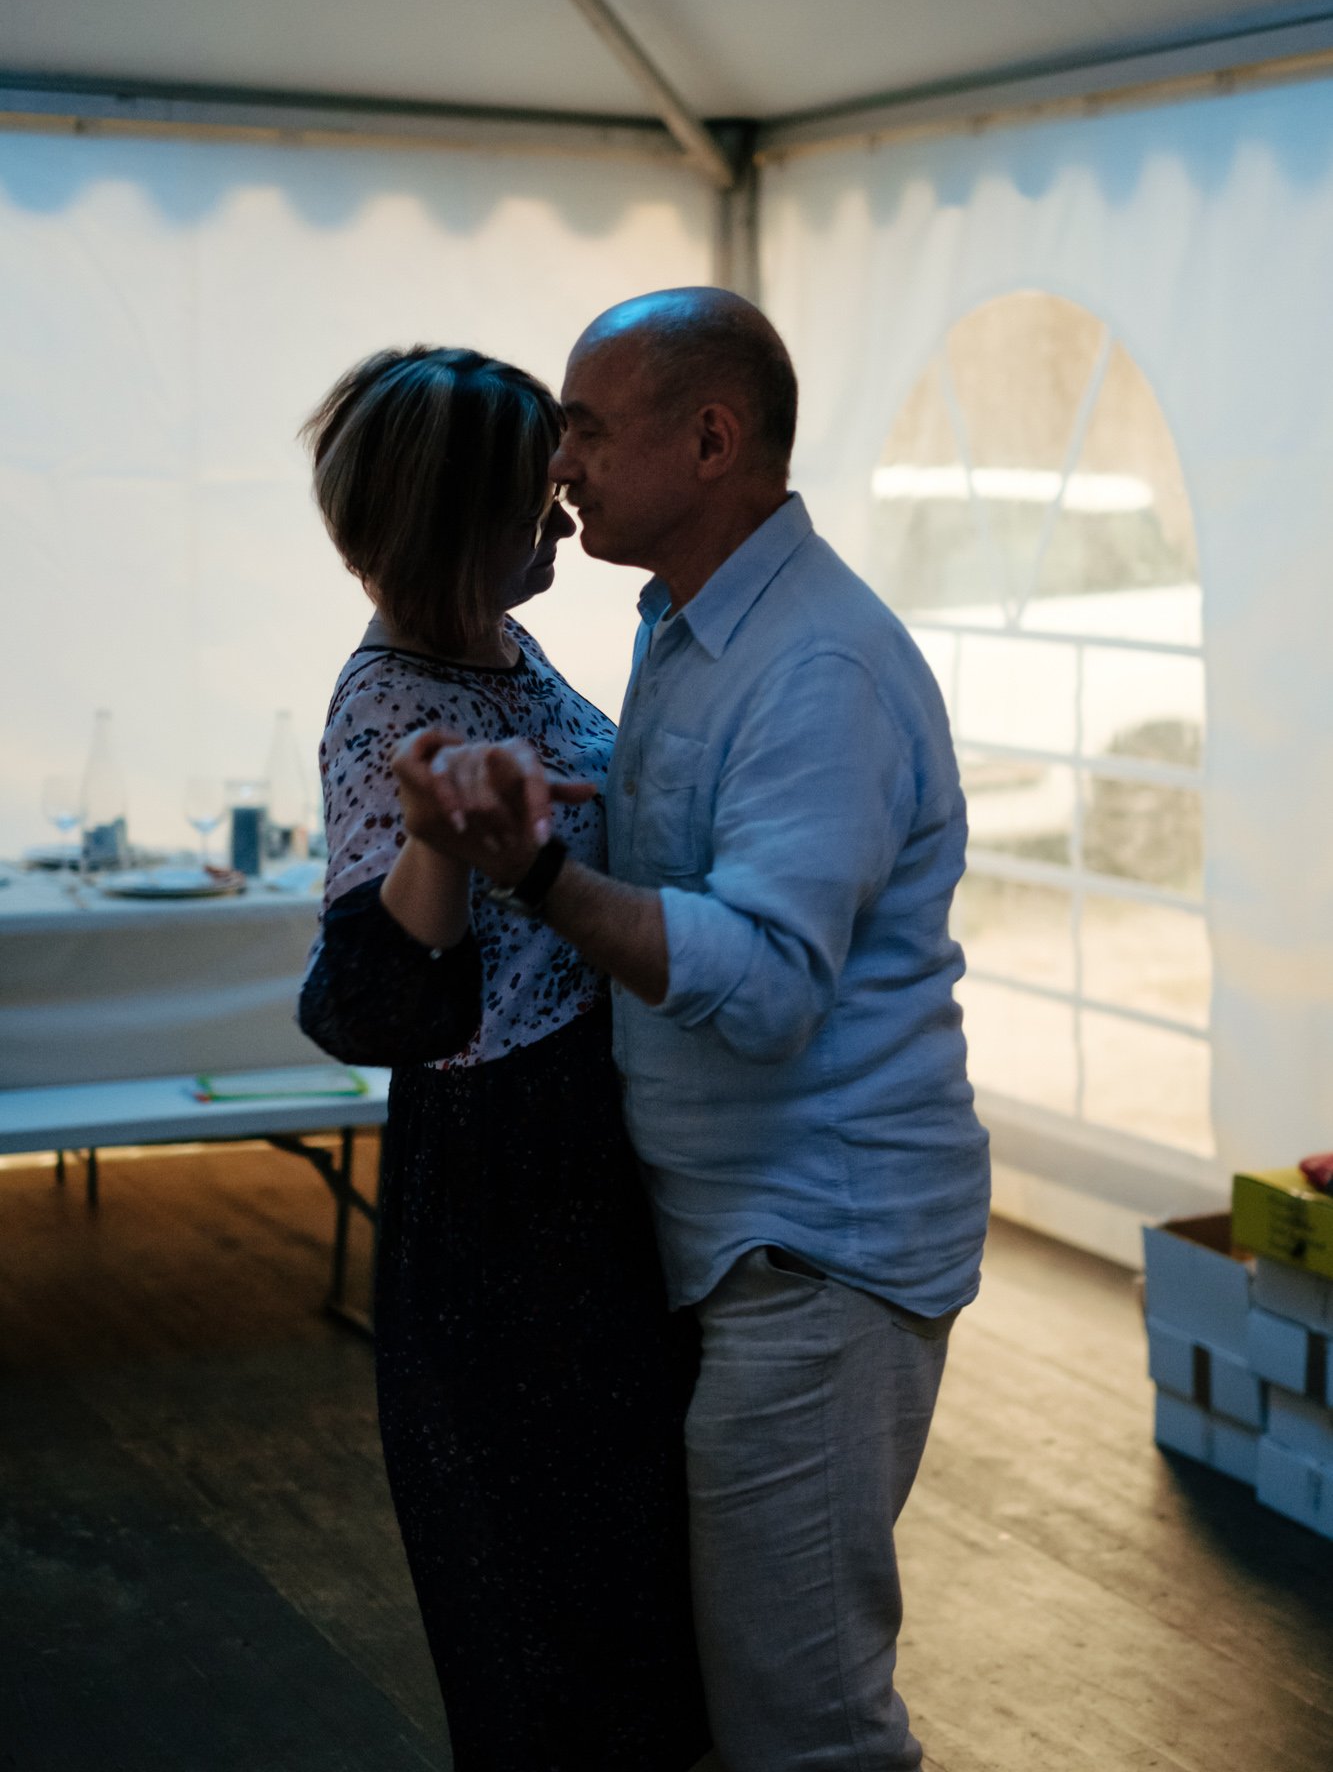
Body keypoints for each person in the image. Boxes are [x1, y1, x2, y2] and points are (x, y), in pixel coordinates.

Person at [403, 289, 992, 1772]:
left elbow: (776, 975)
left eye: (589, 427)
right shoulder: (690, 624)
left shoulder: (814, 665)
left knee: (801, 1725)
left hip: (817, 1250)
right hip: (740, 1241)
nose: (562, 461)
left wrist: (534, 872)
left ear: (713, 438)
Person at [294, 344, 710, 1772]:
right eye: (538, 487)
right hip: (503, 1205)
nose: (565, 506)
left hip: (591, 1158)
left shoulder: (499, 646)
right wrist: (438, 843)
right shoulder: (390, 705)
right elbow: (375, 1011)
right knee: (546, 1624)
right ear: (456, 519)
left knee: (630, 1601)